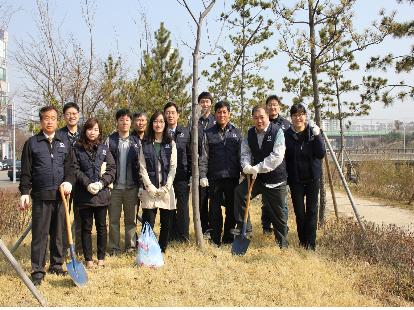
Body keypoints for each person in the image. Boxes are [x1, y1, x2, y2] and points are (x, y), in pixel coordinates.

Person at [19, 105, 75, 286]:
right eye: (46, 118)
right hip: (41, 196)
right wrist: (24, 193)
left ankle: (56, 265)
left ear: (57, 120)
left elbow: (70, 169)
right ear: (41, 121)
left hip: (60, 197)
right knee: (40, 235)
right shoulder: (32, 143)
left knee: (59, 234)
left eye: (53, 118)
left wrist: (68, 181)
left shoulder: (64, 142)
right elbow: (26, 172)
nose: (49, 121)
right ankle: (37, 269)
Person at [233, 105, 289, 249]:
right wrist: (246, 166)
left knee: (278, 214)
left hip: (275, 179)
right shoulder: (250, 133)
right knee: (240, 192)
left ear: (268, 117)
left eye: (262, 117)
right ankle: (246, 230)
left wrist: (257, 168)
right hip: (257, 179)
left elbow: (277, 156)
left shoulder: (277, 132)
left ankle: (282, 244)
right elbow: (245, 152)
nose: (259, 121)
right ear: (252, 119)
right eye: (256, 118)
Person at [72, 118, 116, 268]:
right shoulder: (77, 148)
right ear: (85, 131)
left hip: (102, 194)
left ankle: (101, 259)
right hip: (84, 195)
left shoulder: (104, 149)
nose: (93, 132)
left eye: (96, 129)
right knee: (86, 227)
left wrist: (101, 183)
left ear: (99, 132)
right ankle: (89, 260)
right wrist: (87, 183)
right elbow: (75, 169)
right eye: (90, 129)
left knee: (102, 226)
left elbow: (112, 169)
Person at [199, 100, 241, 246]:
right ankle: (215, 239)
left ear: (229, 114)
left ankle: (229, 239)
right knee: (214, 211)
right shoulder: (208, 133)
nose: (222, 115)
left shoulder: (237, 132)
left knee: (231, 210)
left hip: (232, 177)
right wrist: (203, 175)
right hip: (215, 177)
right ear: (214, 114)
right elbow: (204, 156)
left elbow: (242, 155)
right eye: (219, 112)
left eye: (224, 112)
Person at [285, 103, 326, 250]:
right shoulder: (287, 135)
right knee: (299, 212)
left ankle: (311, 243)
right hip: (295, 179)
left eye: (301, 114)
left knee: (312, 211)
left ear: (305, 116)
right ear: (291, 118)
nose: (298, 118)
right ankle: (303, 242)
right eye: (295, 115)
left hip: (312, 178)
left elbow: (321, 153)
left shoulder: (313, 132)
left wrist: (317, 136)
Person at [139, 111, 177, 253]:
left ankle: (162, 250)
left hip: (166, 188)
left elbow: (173, 167)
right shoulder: (145, 143)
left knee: (166, 222)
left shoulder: (171, 143)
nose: (158, 124)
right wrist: (149, 187)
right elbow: (142, 166)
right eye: (155, 121)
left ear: (165, 124)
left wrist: (166, 187)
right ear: (152, 124)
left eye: (161, 121)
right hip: (150, 189)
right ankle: (146, 250)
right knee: (148, 222)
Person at [107, 109, 141, 255]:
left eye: (127, 119)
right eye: (121, 119)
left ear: (130, 122)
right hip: (114, 187)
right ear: (117, 122)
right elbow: (104, 163)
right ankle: (114, 247)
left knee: (131, 220)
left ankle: (131, 247)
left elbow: (141, 165)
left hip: (131, 187)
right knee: (113, 219)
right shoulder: (110, 140)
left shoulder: (136, 141)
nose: (124, 122)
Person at [260, 95, 291, 234]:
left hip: (281, 168)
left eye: (275, 105)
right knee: (266, 201)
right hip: (265, 168)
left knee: (281, 202)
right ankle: (266, 227)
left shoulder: (285, 124)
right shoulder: (262, 122)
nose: (272, 107)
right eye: (270, 105)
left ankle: (283, 226)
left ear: (279, 107)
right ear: (266, 107)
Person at [164, 102, 191, 242]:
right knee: (168, 206)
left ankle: (184, 236)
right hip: (166, 177)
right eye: (167, 112)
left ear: (178, 115)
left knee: (183, 207)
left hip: (182, 176)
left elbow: (191, 154)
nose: (170, 115)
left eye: (173, 112)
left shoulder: (185, 132)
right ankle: (170, 235)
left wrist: (191, 175)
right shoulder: (161, 133)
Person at [59, 101, 83, 255]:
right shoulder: (59, 135)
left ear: (79, 115)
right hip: (65, 181)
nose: (72, 116)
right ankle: (62, 249)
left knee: (81, 216)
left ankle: (79, 248)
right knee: (63, 217)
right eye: (68, 114)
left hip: (82, 181)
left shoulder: (85, 132)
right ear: (64, 116)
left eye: (74, 113)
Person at [197, 91, 216, 237]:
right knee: (202, 200)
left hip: (214, 166)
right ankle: (205, 228)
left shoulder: (216, 120)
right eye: (202, 101)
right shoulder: (194, 121)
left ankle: (214, 226)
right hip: (199, 166)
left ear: (211, 103)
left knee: (214, 199)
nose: (205, 104)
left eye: (207, 101)